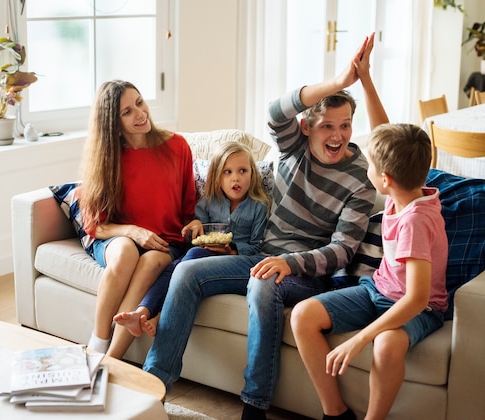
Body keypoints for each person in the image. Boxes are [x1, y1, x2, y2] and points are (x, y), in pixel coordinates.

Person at [142, 32, 389, 420]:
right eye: (327, 126)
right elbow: (277, 110)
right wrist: (340, 82)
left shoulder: (361, 175)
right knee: (187, 270)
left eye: (345, 125)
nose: (338, 136)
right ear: (307, 128)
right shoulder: (293, 147)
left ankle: (254, 406)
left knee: (263, 283)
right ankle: (153, 388)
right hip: (259, 255)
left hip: (305, 272)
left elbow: (342, 250)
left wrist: (290, 264)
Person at [290, 123, 448, 420]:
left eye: (371, 166)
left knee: (386, 343)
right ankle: (335, 413)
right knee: (303, 315)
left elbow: (416, 299)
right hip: (376, 289)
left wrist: (360, 338)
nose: (367, 169)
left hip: (420, 309)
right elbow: (385, 133)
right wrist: (366, 81)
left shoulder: (415, 221)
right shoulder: (401, 194)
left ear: (385, 179)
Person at [79, 80, 197, 358]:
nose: (140, 114)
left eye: (140, 103)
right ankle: (96, 344)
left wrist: (194, 226)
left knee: (152, 261)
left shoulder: (177, 146)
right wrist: (133, 231)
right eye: (127, 112)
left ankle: (111, 361)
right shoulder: (108, 158)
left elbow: (189, 208)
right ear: (113, 123)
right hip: (116, 237)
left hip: (164, 242)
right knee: (126, 253)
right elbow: (94, 224)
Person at [114, 142, 271, 337]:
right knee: (177, 265)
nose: (236, 178)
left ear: (252, 174)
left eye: (242, 171)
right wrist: (194, 226)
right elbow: (194, 237)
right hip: (201, 256)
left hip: (233, 261)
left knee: (188, 261)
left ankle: (155, 313)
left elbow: (257, 247)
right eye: (227, 172)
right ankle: (143, 312)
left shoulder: (258, 207)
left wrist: (232, 249)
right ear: (216, 176)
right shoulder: (209, 202)